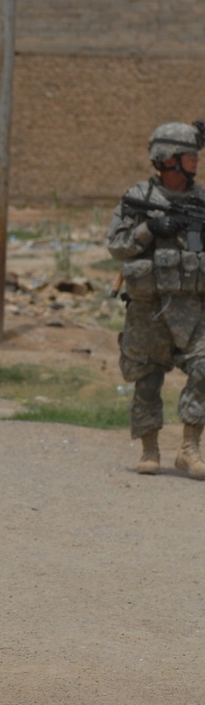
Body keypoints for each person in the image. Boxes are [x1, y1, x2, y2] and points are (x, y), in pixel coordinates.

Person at [107, 120, 205, 478]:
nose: (196, 160)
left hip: (193, 309)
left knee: (204, 368)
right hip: (148, 307)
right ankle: (150, 449)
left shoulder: (201, 202)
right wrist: (151, 228)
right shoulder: (140, 198)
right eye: (189, 155)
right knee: (147, 379)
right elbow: (116, 246)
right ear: (167, 159)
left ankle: (189, 449)